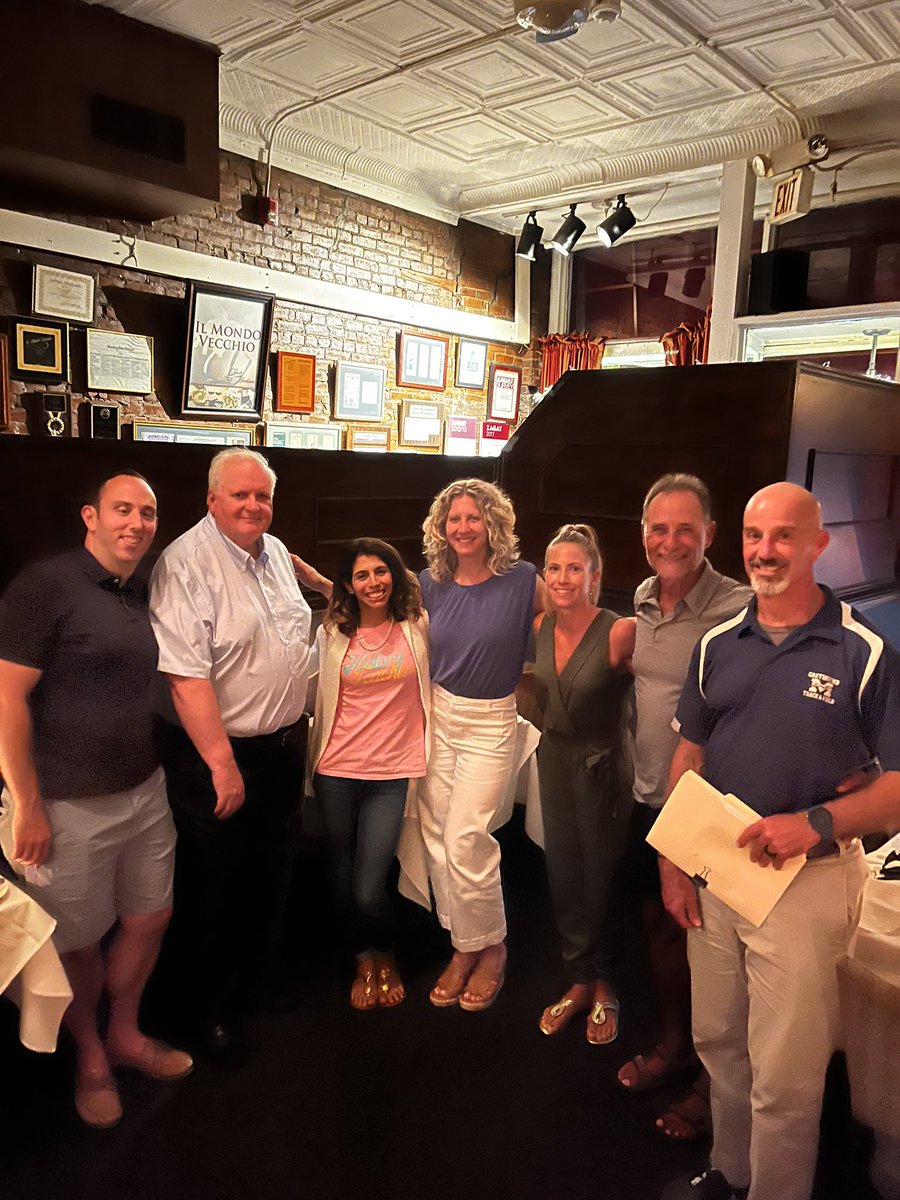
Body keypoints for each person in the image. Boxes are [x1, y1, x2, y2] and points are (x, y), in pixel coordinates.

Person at [660, 481, 900, 1200]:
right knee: (721, 1045)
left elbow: (897, 784)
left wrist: (816, 824)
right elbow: (688, 756)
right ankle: (730, 1176)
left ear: (817, 545)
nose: (766, 551)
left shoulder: (864, 650)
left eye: (784, 536)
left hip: (808, 882)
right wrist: (672, 861)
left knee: (786, 1076)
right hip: (715, 875)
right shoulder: (715, 643)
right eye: (754, 535)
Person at [0, 472, 191, 1129]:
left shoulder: (143, 584)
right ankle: (90, 1058)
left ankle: (125, 1033)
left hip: (145, 790)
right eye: (121, 510)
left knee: (149, 917)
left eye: (147, 512)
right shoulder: (45, 586)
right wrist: (26, 802)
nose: (136, 522)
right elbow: (6, 698)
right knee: (78, 942)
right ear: (90, 516)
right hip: (66, 802)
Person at [149, 448, 325, 1061]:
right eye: (240, 495)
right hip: (217, 755)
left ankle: (253, 983)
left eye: (263, 496)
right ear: (211, 499)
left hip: (279, 746)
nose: (254, 505)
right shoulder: (185, 563)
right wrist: (222, 765)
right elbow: (185, 676)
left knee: (269, 872)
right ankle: (207, 1012)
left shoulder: (274, 553)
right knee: (212, 886)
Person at [616, 474, 751, 1140]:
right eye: (657, 528)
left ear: (711, 535)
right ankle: (676, 1046)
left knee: (713, 945)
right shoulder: (641, 599)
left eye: (684, 528)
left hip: (712, 807)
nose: (670, 542)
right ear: (643, 534)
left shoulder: (741, 606)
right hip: (649, 798)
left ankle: (712, 1084)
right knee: (657, 924)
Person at [418, 478, 543, 1011]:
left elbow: (563, 630)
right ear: (441, 529)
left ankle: (493, 948)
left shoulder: (524, 580)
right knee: (436, 834)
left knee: (467, 835)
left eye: (473, 517)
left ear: (493, 523)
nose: (463, 528)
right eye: (454, 519)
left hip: (491, 721)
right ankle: (464, 945)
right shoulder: (430, 582)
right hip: (438, 715)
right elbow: (370, 606)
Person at [310, 538, 430, 1010]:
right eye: (362, 575)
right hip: (336, 768)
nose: (373, 582)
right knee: (340, 875)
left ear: (395, 575)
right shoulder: (333, 631)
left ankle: (387, 950)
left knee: (368, 884)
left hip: (391, 771)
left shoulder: (417, 626)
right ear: (348, 584)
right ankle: (363, 958)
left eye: (381, 571)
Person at [532, 524, 635, 1045]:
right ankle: (577, 977)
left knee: (603, 880)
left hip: (602, 770)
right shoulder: (540, 626)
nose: (563, 578)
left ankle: (607, 982)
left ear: (594, 575)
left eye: (575, 568)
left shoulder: (619, 631)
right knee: (564, 875)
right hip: (553, 763)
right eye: (554, 568)